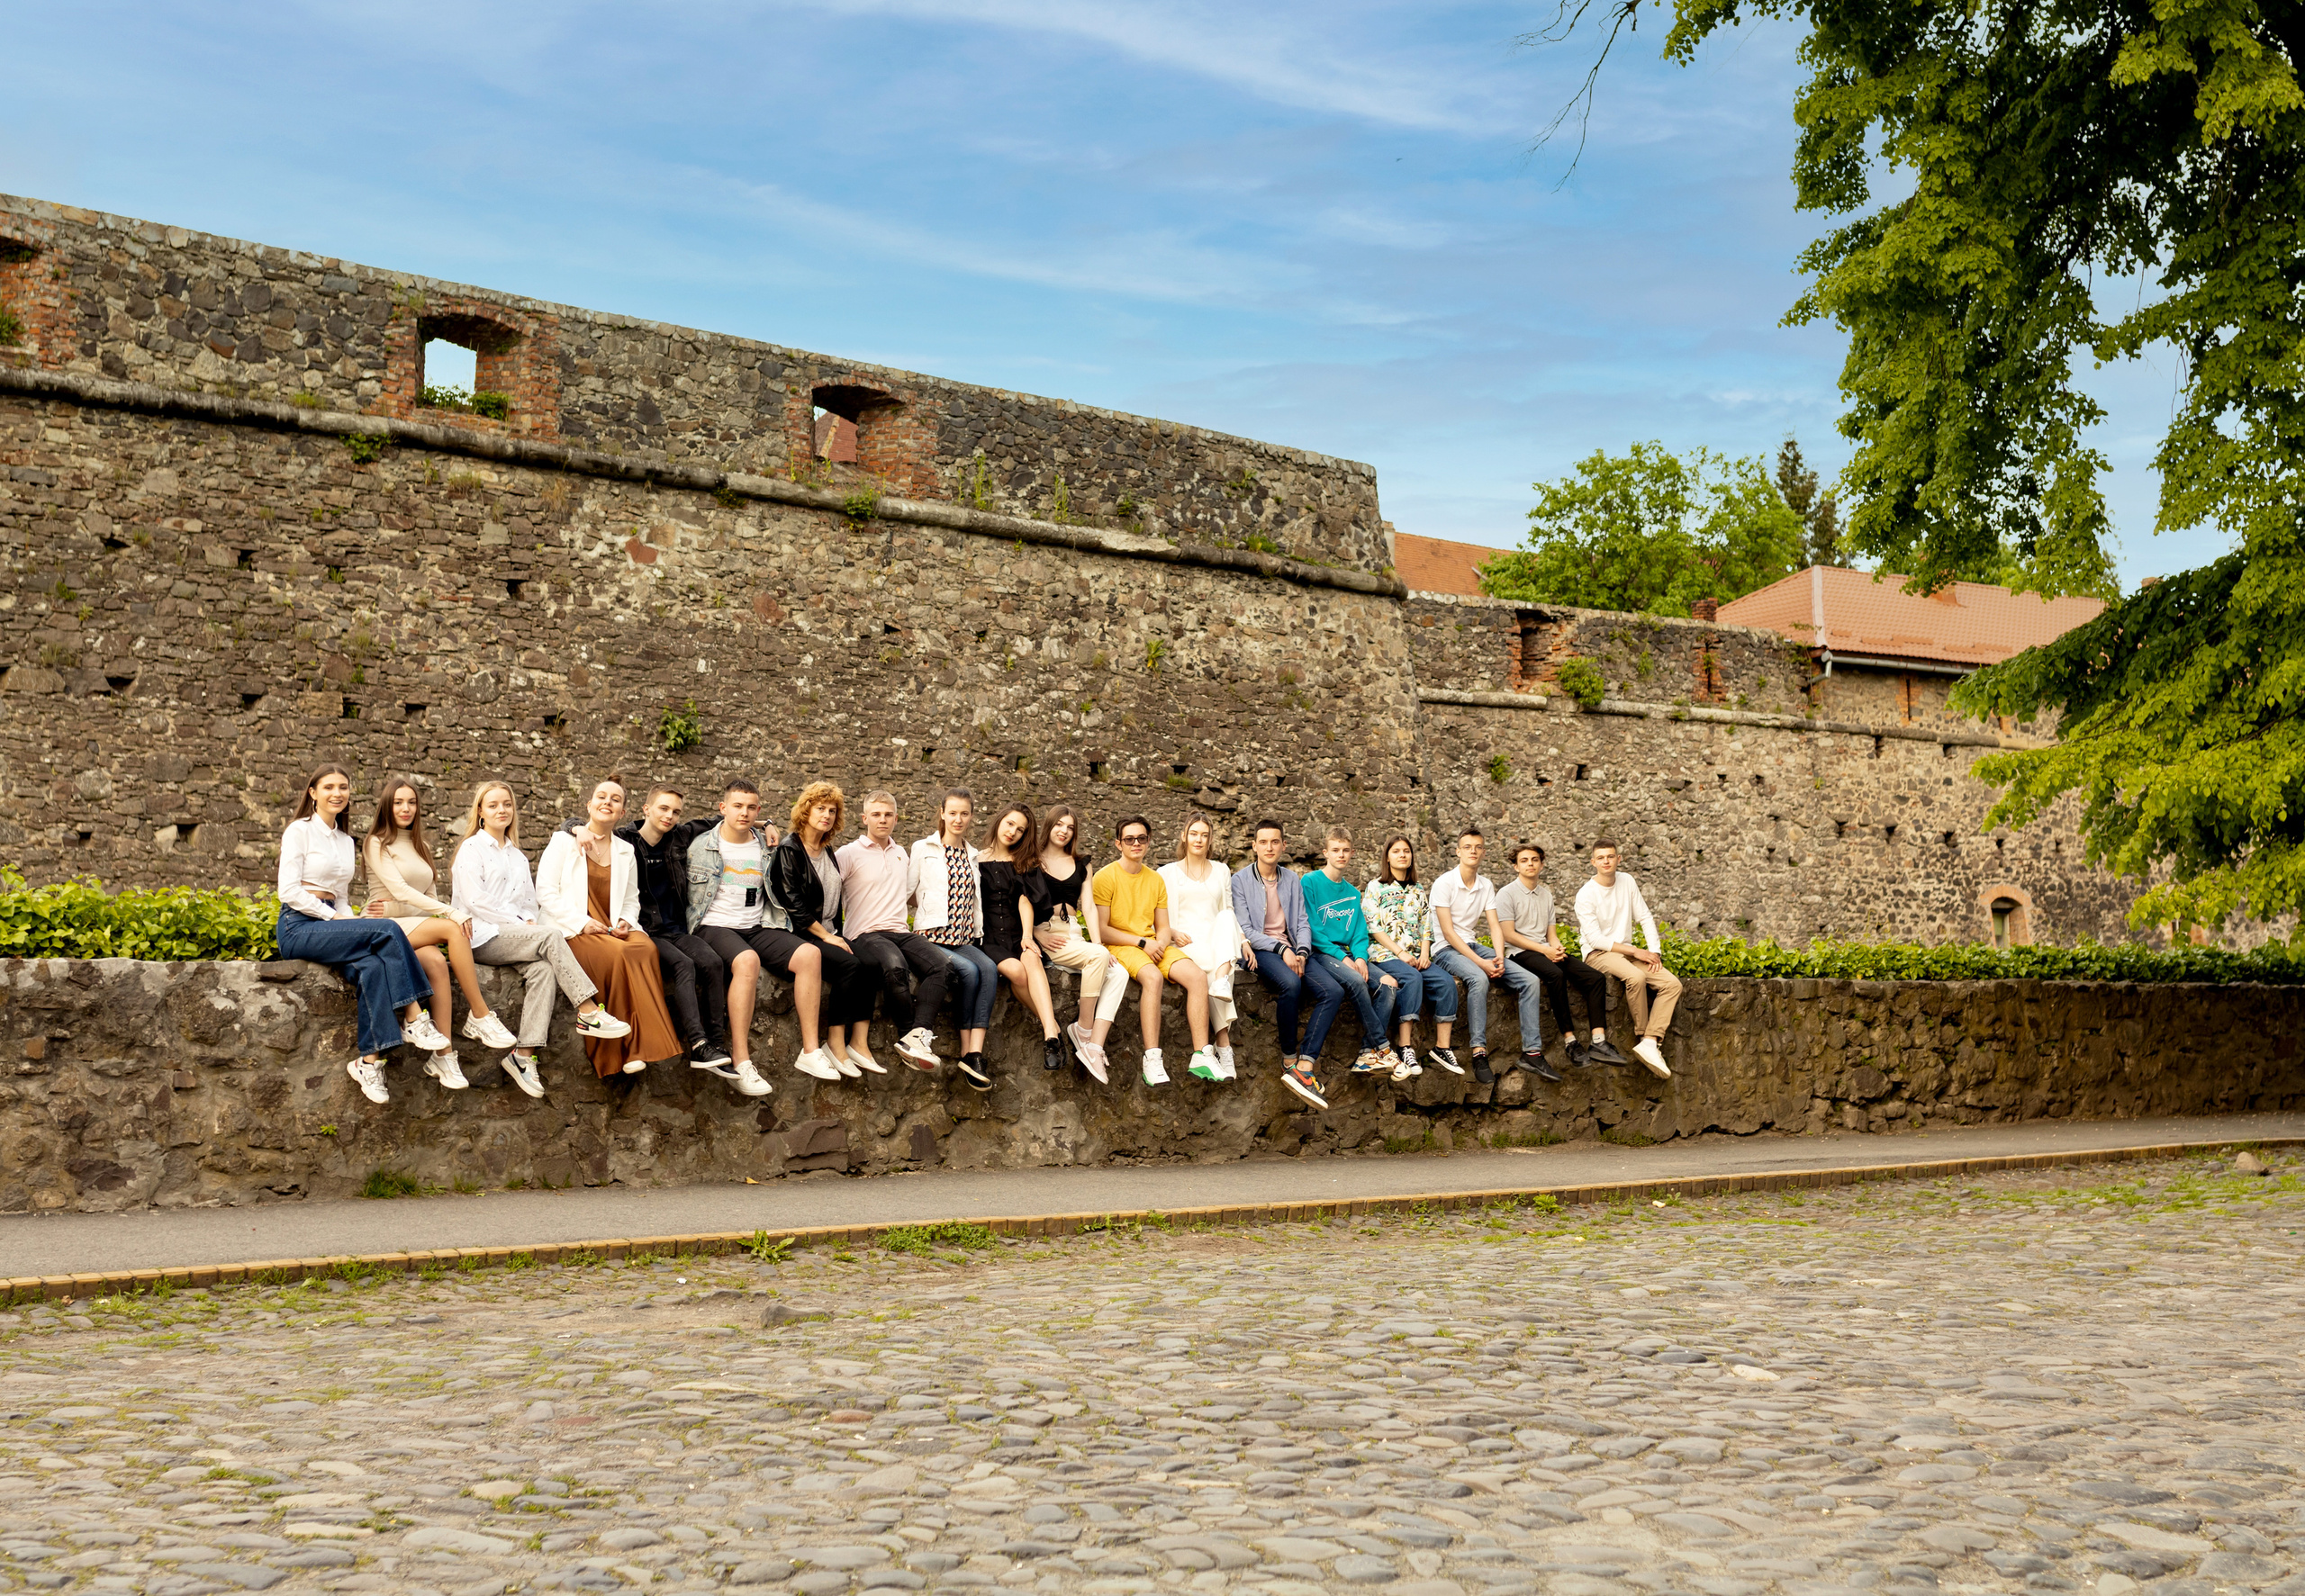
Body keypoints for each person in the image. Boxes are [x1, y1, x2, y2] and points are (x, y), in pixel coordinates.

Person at [275, 764, 449, 1105]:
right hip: (298, 925)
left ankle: (369, 1062)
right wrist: (334, 919)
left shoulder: (344, 841)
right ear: (313, 793)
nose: (337, 793)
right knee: (387, 930)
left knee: (374, 967)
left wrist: (351, 920)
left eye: (343, 787)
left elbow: (340, 894)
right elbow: (288, 891)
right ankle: (414, 1015)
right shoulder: (299, 831)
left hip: (330, 922)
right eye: (328, 787)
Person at [452, 780, 631, 1097]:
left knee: (544, 970)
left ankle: (523, 1056)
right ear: (480, 812)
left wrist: (528, 920)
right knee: (549, 936)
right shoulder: (471, 848)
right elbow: (476, 901)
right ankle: (589, 1011)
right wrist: (526, 926)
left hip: (513, 934)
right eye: (492, 805)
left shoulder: (518, 857)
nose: (501, 810)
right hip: (481, 935)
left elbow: (527, 902)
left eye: (506, 804)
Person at [360, 774, 518, 1091]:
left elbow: (429, 899)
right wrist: (450, 912)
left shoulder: (422, 846)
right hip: (383, 927)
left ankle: (444, 1055)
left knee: (436, 964)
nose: (406, 808)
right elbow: (399, 890)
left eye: (412, 802)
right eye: (398, 802)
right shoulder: (377, 842)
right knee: (453, 927)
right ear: (387, 807)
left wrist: (441, 910)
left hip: (413, 927)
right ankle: (479, 1013)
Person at [617, 786, 769, 1096]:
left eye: (675, 811)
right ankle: (699, 1044)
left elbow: (727, 816)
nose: (669, 816)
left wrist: (764, 824)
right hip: (643, 929)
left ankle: (716, 1045)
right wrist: (575, 828)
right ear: (646, 809)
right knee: (684, 965)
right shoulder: (624, 840)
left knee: (712, 962)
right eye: (663, 809)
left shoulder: (680, 836)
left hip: (676, 928)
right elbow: (582, 826)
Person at [686, 779, 834, 1084]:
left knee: (809, 954)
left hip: (757, 925)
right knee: (748, 961)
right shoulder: (701, 845)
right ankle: (742, 1061)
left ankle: (810, 1051)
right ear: (722, 808)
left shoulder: (767, 846)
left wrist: (767, 824)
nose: (744, 813)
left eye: (751, 807)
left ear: (759, 810)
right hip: (714, 925)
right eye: (737, 806)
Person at [536, 778, 682, 1078]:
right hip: (570, 929)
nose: (608, 802)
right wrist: (582, 922)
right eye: (601, 796)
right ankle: (617, 1051)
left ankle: (639, 1048)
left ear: (622, 812)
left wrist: (625, 921)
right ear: (589, 805)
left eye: (615, 800)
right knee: (617, 956)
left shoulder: (625, 851)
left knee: (644, 948)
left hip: (608, 927)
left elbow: (631, 899)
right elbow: (545, 893)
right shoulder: (563, 841)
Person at [770, 781, 884, 1076]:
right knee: (849, 966)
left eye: (832, 810)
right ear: (806, 811)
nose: (827, 815)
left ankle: (858, 1043)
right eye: (820, 808)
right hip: (804, 934)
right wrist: (827, 937)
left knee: (871, 963)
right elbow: (793, 904)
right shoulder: (789, 850)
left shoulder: (827, 849)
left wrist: (836, 934)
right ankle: (834, 1041)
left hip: (832, 930)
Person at [1095, 814, 1216, 1085]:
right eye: (1129, 839)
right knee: (1153, 978)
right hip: (1121, 944)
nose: (1136, 844)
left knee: (1197, 977)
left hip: (1152, 943)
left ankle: (1202, 1054)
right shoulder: (1105, 877)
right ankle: (1152, 1058)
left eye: (1142, 838)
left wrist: (1159, 943)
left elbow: (1163, 925)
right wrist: (1142, 943)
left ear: (1148, 842)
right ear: (1118, 844)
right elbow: (1102, 929)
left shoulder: (1155, 879)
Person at [1230, 817, 1340, 1109]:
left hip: (1294, 948)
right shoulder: (1239, 880)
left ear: (1283, 846)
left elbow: (1303, 922)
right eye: (1263, 842)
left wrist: (1302, 952)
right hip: (1261, 949)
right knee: (1291, 983)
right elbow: (1247, 930)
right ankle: (1289, 1059)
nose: (1269, 847)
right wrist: (1281, 949)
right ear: (1254, 846)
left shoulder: (1292, 879)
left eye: (1275, 842)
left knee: (1333, 991)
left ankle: (1305, 1065)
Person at [836, 792, 945, 1074]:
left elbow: (910, 894)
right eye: (876, 814)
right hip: (865, 932)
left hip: (900, 929)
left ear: (896, 819)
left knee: (942, 966)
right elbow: (828, 890)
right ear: (864, 819)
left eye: (887, 815)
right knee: (895, 967)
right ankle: (908, 1035)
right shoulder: (847, 854)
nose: (882, 820)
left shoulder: (901, 854)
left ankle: (917, 1038)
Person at [1430, 825, 1544, 1086]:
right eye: (1467, 847)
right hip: (1445, 949)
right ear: (1458, 851)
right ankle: (1479, 1052)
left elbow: (1494, 926)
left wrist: (1500, 957)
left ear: (1483, 852)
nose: (1473, 851)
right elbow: (1447, 932)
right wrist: (1481, 962)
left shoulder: (1485, 885)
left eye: (1478, 847)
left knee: (1530, 981)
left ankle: (1532, 1052)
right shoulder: (1444, 883)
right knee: (1479, 979)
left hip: (1472, 944)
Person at [1498, 841, 1610, 1081]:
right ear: (1515, 866)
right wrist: (1545, 950)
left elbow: (1551, 934)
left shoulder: (1546, 895)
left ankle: (1599, 1041)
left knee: (1595, 977)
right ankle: (1570, 1041)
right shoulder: (1506, 893)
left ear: (1541, 864)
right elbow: (1508, 934)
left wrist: (1556, 946)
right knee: (1555, 975)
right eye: (1524, 861)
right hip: (1518, 952)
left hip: (1543, 949)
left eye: (1535, 860)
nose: (1530, 864)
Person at [910, 789, 999, 1089]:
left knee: (988, 969)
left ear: (971, 816)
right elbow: (906, 892)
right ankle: (967, 1051)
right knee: (970, 972)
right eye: (953, 813)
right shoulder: (923, 848)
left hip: (963, 939)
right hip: (931, 938)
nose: (958, 819)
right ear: (942, 813)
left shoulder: (973, 855)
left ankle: (973, 1054)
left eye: (964, 814)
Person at [1029, 804, 1121, 1083]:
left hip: (1075, 933)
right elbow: (1019, 901)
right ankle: (1083, 1029)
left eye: (1070, 827)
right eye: (1059, 825)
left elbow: (1090, 907)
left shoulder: (1083, 863)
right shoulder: (1032, 859)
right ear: (1049, 826)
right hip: (1048, 933)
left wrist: (1099, 944)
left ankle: (1094, 1045)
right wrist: (1035, 932)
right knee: (1097, 958)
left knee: (1118, 972)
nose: (1064, 831)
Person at [1574, 841, 1679, 1078]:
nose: (1606, 861)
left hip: (1627, 952)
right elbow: (1595, 938)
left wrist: (1654, 952)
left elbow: (1644, 916)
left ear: (1618, 859)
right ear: (1593, 862)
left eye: (1610, 857)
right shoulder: (1586, 894)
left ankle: (1650, 1042)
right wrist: (1636, 952)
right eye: (1600, 858)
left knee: (1672, 984)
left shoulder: (1627, 881)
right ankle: (1642, 1033)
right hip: (1598, 954)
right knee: (1636, 977)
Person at [1301, 827, 1399, 1079]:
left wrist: (1359, 957)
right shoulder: (1310, 882)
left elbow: (1359, 933)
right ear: (1326, 853)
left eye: (1345, 851)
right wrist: (1343, 957)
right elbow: (1312, 929)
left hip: (1348, 955)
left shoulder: (1354, 893)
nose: (1341, 855)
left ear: (1352, 853)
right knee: (1356, 981)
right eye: (1335, 850)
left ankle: (1366, 1054)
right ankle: (1383, 1047)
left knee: (1388, 984)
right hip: (1322, 952)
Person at [1361, 834, 1460, 1083]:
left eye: (1406, 851)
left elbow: (1427, 925)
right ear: (1387, 857)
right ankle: (1406, 1048)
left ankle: (1442, 1048)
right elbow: (1373, 927)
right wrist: (1400, 953)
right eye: (1396, 851)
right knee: (1413, 979)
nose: (1402, 855)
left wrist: (1425, 953)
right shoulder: (1376, 887)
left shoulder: (1418, 890)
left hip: (1417, 956)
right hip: (1384, 955)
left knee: (1447, 982)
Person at [981, 804, 1068, 1074]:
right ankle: (1052, 1026)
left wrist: (1029, 936)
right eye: (1009, 824)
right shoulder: (975, 859)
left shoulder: (1023, 863)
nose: (1013, 832)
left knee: (1031, 957)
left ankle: (1050, 1040)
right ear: (999, 821)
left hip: (1020, 932)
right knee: (1016, 972)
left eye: (1020, 830)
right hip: (988, 938)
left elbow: (1024, 900)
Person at [1157, 813, 1243, 1081]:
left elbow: (1227, 910)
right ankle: (1224, 1046)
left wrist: (1244, 941)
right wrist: (1171, 932)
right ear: (1184, 836)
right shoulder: (1166, 872)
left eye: (1204, 835)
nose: (1199, 839)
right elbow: (1156, 915)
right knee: (1213, 969)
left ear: (1210, 840)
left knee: (1227, 918)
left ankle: (1219, 981)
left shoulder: (1221, 870)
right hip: (1185, 941)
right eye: (1194, 833)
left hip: (1216, 938)